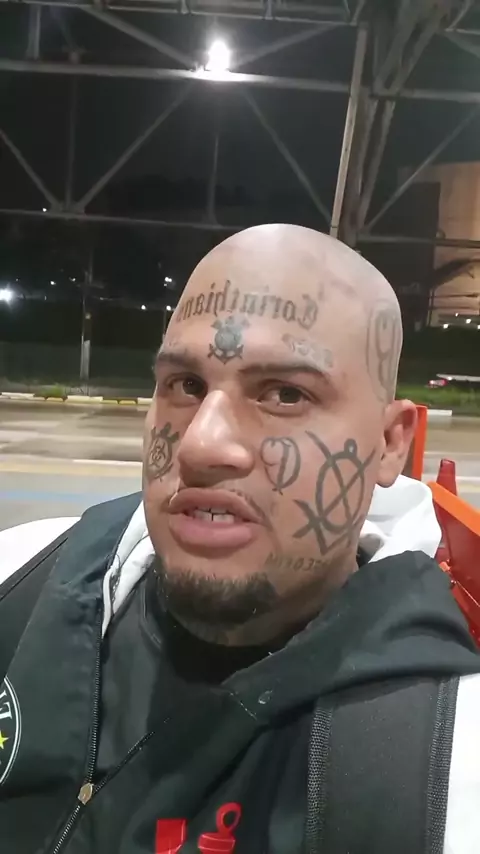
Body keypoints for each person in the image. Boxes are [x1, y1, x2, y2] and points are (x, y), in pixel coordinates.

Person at [0, 224, 479, 854]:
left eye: (285, 394)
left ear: (390, 444)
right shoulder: (19, 580)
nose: (201, 445)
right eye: (185, 385)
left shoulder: (445, 772)